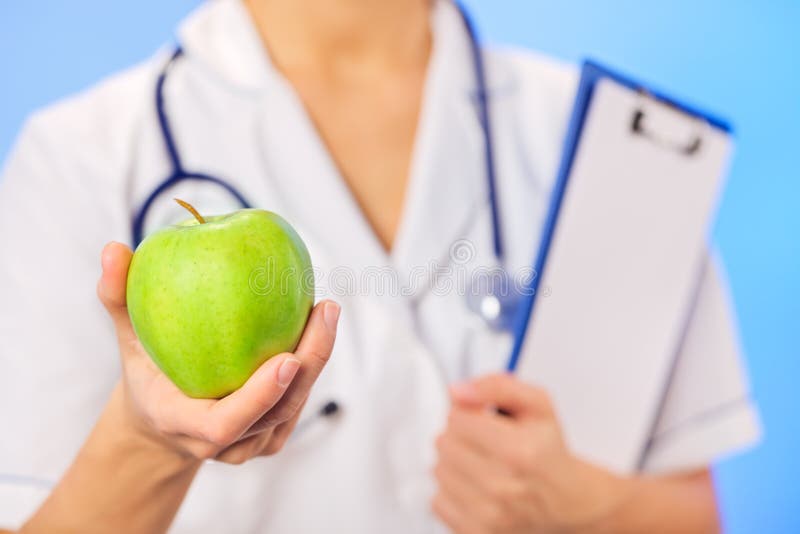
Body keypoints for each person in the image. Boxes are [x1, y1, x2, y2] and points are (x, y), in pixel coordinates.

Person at [0, 0, 760, 532]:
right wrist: (148, 442)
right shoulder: (80, 159)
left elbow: (695, 516)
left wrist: (582, 508)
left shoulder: (623, 148)